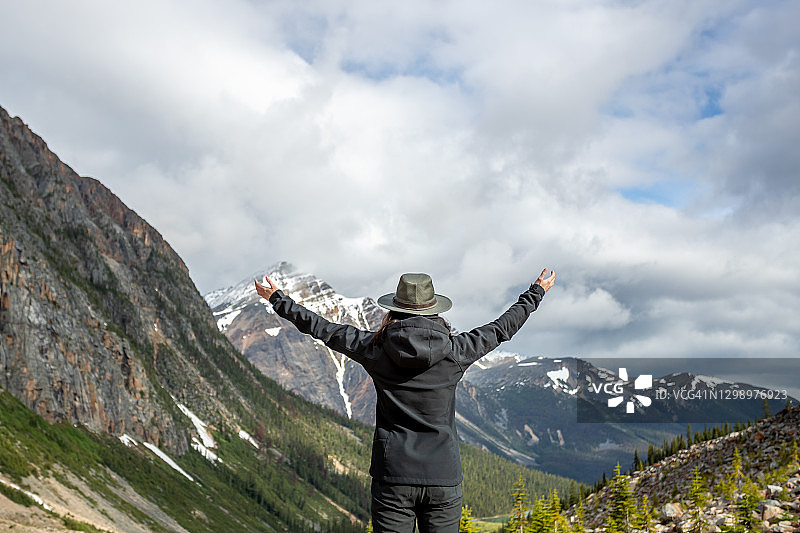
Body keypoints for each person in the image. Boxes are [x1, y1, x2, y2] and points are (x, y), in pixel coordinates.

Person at [255, 268, 555, 532]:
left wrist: (278, 300)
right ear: (434, 309)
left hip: (393, 476)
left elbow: (323, 329)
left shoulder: (373, 348)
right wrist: (536, 292)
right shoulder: (457, 351)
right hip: (443, 477)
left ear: (394, 310)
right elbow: (502, 328)